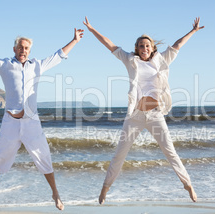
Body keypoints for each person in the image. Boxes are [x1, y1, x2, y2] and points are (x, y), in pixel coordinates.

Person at [0, 13, 84, 212]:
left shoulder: (38, 66)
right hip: (10, 122)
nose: (23, 50)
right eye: (20, 47)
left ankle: (55, 193)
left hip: (32, 123)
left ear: (29, 50)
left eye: (26, 48)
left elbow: (59, 55)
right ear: (14, 49)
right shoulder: (5, 66)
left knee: (44, 158)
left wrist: (75, 40)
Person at [83, 16, 204, 204]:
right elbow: (111, 45)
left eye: (147, 45)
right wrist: (92, 30)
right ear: (137, 49)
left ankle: (188, 185)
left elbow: (177, 45)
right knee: (120, 153)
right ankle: (105, 187)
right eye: (141, 46)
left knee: (170, 152)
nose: (144, 48)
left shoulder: (162, 59)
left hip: (155, 115)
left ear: (152, 48)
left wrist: (193, 31)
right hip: (135, 116)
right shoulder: (130, 60)